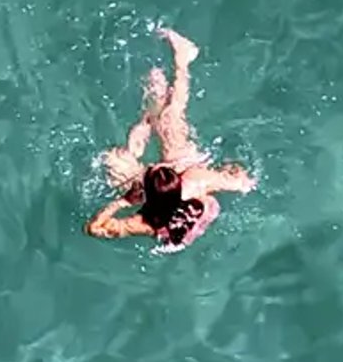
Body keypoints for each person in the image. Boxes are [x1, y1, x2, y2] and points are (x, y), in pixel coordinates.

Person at [86, 27, 256, 250]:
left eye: (153, 168)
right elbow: (244, 183)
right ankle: (180, 65)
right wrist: (235, 175)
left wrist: (124, 201)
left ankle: (147, 117)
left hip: (172, 220)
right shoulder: (195, 181)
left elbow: (94, 228)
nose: (156, 164)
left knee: (115, 160)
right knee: (170, 119)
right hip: (195, 207)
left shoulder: (145, 224)